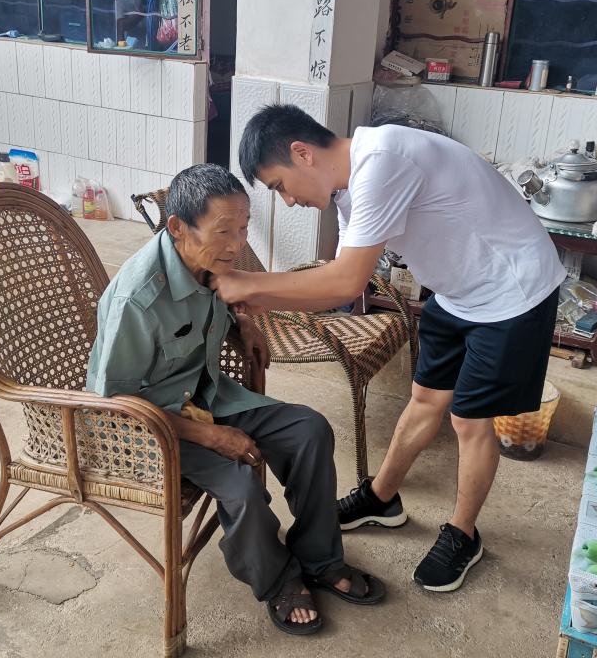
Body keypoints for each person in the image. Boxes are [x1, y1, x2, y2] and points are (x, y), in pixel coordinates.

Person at [212, 105, 565, 593]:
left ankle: (464, 534)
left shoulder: (383, 160)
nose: (288, 201)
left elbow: (344, 282)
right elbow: (333, 285)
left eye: (280, 186)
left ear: (302, 153)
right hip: (457, 291)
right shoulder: (348, 191)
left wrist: (246, 284)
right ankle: (381, 499)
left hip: (512, 292)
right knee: (424, 399)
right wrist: (252, 298)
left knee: (468, 420)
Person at [86, 163, 385, 634]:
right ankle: (278, 580)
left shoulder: (207, 263)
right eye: (224, 231)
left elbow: (209, 306)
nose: (237, 244)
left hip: (206, 394)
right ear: (177, 227)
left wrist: (240, 323)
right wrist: (210, 436)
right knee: (242, 486)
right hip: (149, 426)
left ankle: (320, 560)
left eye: (243, 228)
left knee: (310, 429)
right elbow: (117, 401)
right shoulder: (136, 300)